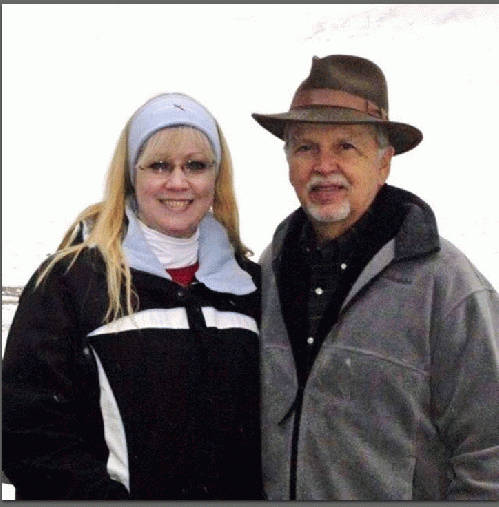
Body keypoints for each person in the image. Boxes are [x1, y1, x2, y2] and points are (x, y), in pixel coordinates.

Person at [252, 54, 499, 500]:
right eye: (306, 147)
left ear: (384, 163)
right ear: (288, 161)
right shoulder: (270, 270)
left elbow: (490, 456)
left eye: (346, 146)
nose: (324, 165)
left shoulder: (447, 286)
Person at [2, 93, 263, 500]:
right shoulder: (72, 282)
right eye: (159, 165)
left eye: (196, 165)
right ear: (131, 174)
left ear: (216, 177)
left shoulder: (248, 287)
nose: (178, 182)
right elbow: (30, 432)